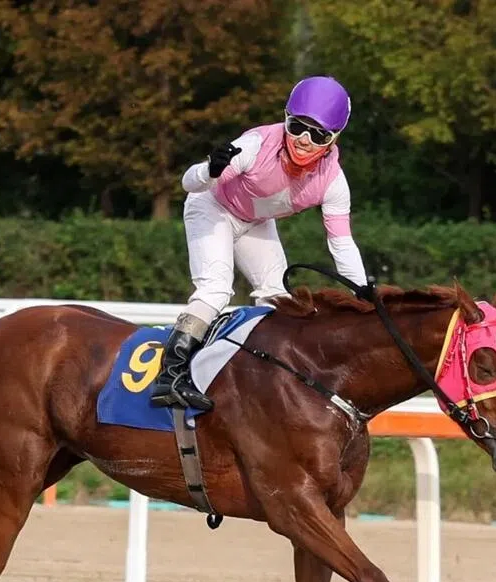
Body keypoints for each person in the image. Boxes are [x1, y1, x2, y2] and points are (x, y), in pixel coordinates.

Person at [149, 75, 370, 412]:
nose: (304, 140)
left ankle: (257, 378)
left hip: (255, 221)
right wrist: (210, 169)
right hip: (212, 206)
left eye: (318, 134)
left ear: (334, 139)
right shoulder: (255, 145)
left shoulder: (334, 182)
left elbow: (341, 244)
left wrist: (363, 290)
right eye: (297, 127)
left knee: (278, 299)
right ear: (285, 118)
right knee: (216, 289)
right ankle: (171, 375)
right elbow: (188, 182)